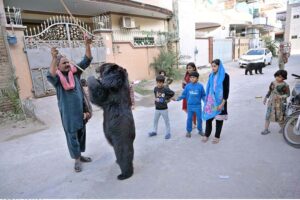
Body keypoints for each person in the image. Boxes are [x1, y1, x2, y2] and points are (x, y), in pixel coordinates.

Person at [47, 36, 93, 172]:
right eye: (64, 63)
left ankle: (80, 155)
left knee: (82, 134)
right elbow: (50, 74)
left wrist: (87, 45)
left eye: (67, 62)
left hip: (81, 111)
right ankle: (77, 160)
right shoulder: (57, 80)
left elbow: (87, 60)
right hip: (68, 115)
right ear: (58, 67)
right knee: (72, 136)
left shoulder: (75, 73)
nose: (67, 64)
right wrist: (54, 58)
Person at [202, 59, 230, 144]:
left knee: (219, 119)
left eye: (215, 66)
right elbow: (209, 89)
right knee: (209, 118)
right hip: (211, 102)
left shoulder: (225, 76)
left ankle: (217, 136)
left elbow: (226, 90)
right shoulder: (211, 75)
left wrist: (222, 103)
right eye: (212, 66)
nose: (213, 68)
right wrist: (207, 101)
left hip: (220, 101)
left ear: (219, 66)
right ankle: (207, 134)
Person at [176, 71, 206, 137]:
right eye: (191, 77)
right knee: (189, 119)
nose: (192, 79)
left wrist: (206, 102)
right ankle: (188, 131)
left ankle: (200, 130)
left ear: (197, 78)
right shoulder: (187, 86)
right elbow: (183, 95)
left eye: (193, 77)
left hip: (198, 106)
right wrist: (177, 99)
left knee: (199, 119)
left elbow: (203, 95)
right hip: (189, 106)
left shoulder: (200, 86)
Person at [261, 70, 290, 135]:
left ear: (284, 77)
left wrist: (281, 96)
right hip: (271, 102)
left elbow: (288, 94)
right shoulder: (273, 83)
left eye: (280, 77)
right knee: (268, 116)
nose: (277, 78)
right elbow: (269, 91)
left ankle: (282, 128)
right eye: (277, 76)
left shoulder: (285, 85)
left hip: (280, 104)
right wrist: (265, 98)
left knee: (280, 117)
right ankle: (266, 129)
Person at [148, 75, 175, 139]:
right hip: (157, 108)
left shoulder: (165, 89)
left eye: (160, 82)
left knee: (166, 121)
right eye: (157, 82)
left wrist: (166, 98)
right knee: (155, 120)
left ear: (163, 83)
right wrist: (156, 101)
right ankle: (154, 131)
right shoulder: (155, 89)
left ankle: (168, 133)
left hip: (164, 109)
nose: (159, 84)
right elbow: (156, 96)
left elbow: (172, 93)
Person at [182, 62, 198, 127]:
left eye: (190, 68)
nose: (188, 69)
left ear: (194, 68)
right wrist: (184, 84)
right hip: (186, 95)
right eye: (187, 68)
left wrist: (186, 83)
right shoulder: (186, 75)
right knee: (185, 108)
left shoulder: (195, 76)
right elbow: (183, 86)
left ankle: (194, 122)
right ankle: (192, 119)